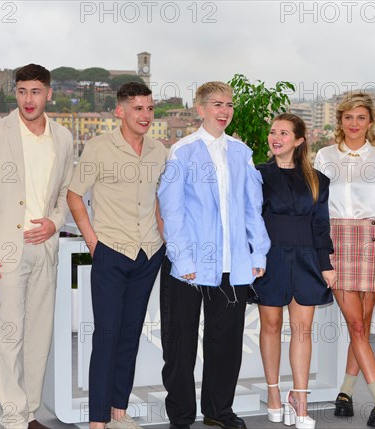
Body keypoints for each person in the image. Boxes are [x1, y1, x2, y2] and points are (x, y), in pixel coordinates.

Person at [157, 81, 271, 429]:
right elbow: (171, 210)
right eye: (217, 104)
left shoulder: (242, 153)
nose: (224, 111)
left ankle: (218, 411)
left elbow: (253, 208)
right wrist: (183, 260)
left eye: (229, 105)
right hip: (187, 267)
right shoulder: (182, 150)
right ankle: (180, 414)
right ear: (200, 109)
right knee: (180, 343)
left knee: (226, 344)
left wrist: (258, 254)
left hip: (232, 267)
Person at [0, 64, 74, 429]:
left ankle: (29, 413)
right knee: (8, 335)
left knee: (38, 336)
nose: (29, 99)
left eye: (36, 91)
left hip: (45, 249)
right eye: (22, 91)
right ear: (15, 93)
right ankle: (13, 418)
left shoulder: (63, 138)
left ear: (49, 94)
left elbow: (63, 196)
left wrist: (54, 223)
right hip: (6, 251)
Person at [67, 82, 167, 429]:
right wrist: (93, 241)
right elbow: (74, 195)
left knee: (130, 334)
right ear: (120, 111)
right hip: (111, 251)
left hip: (149, 252)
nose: (146, 115)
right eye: (138, 108)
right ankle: (98, 421)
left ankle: (119, 413)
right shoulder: (99, 147)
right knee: (106, 336)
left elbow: (157, 199)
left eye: (150, 108)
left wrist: (164, 238)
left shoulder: (158, 150)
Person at [314, 92, 375, 428]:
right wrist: (320, 253)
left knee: (361, 323)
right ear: (340, 121)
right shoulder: (324, 156)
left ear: (370, 122)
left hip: (371, 240)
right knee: (358, 326)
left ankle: (345, 393)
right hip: (337, 241)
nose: (354, 123)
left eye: (360, 118)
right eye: (348, 117)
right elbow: (317, 207)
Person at [251, 114, 335, 429]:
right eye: (273, 131)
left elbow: (320, 225)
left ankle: (300, 400)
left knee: (302, 330)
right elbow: (250, 219)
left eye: (284, 133)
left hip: (307, 261)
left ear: (298, 140)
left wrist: (326, 265)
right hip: (269, 259)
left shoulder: (318, 180)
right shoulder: (256, 174)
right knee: (270, 326)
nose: (276, 137)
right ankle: (273, 394)